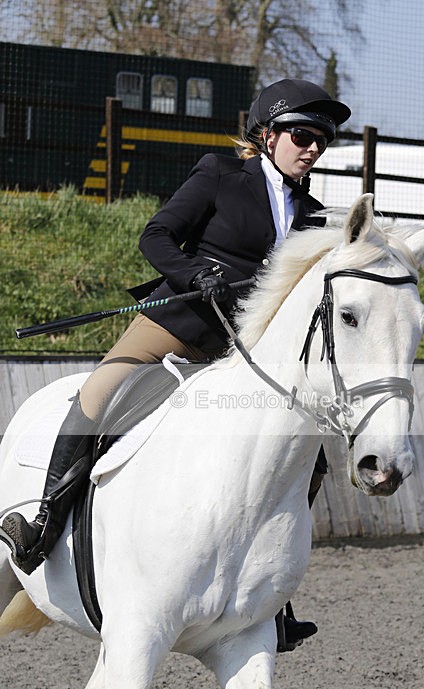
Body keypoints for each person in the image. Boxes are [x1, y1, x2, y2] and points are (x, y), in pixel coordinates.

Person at [2, 78, 350, 644]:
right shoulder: (219, 174)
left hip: (244, 356)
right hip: (181, 328)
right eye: (302, 135)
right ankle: (42, 525)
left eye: (321, 141)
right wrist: (198, 275)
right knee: (97, 397)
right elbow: (157, 236)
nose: (312, 148)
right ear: (267, 135)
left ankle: (272, 593)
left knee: (306, 456)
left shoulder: (313, 214)